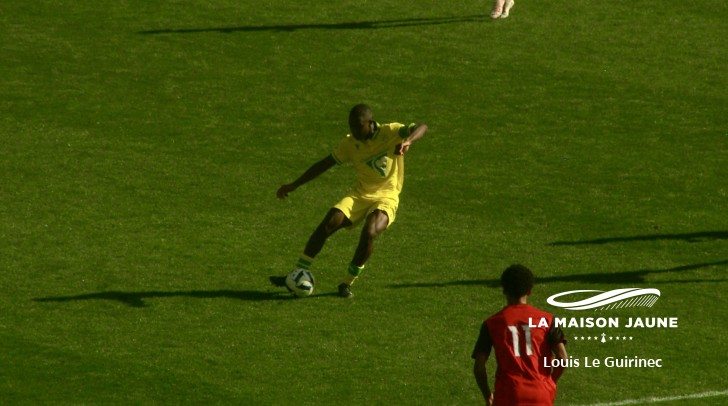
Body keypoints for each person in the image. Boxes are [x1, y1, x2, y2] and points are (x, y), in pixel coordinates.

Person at [270, 104, 427, 298]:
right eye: (351, 127)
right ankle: (296, 273)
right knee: (329, 222)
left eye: (357, 127)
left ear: (369, 123)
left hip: (387, 196)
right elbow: (324, 164)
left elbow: (422, 126)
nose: (353, 131)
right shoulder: (350, 143)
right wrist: (295, 184)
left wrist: (409, 141)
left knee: (370, 231)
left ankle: (346, 283)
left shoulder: (391, 131)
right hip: (360, 195)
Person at [472, 264, 568, 405]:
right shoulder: (547, 320)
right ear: (529, 291)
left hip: (508, 394)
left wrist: (487, 394)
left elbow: (479, 366)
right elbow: (563, 358)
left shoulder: (492, 323)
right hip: (541, 393)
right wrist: (550, 382)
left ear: (504, 290)